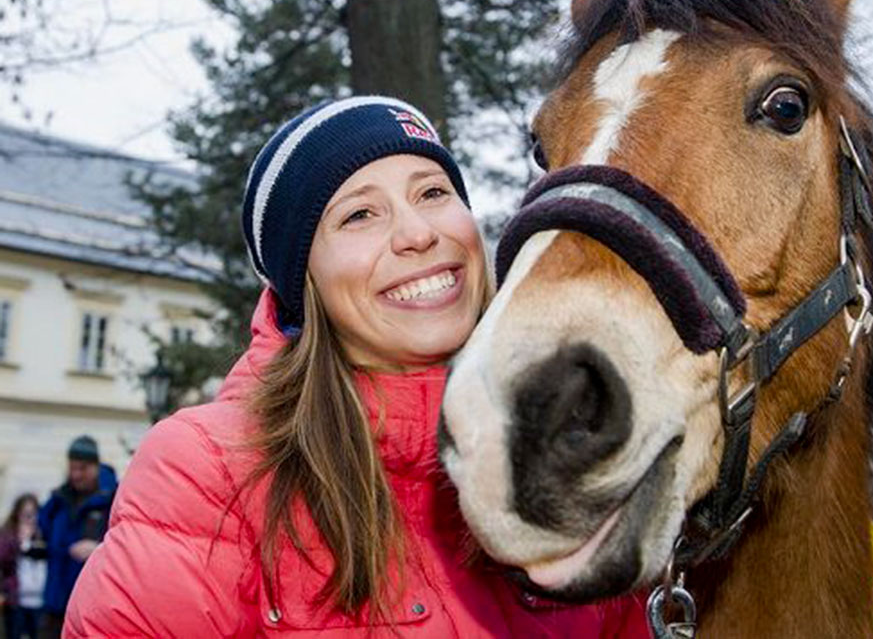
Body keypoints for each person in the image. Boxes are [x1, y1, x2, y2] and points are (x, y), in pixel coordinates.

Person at [64, 96, 649, 636]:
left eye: (433, 194)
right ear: (305, 279)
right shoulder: (209, 470)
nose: (418, 234)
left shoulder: (569, 438)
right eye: (360, 215)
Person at [38, 436, 115, 638]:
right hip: (54, 604)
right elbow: (42, 532)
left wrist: (99, 548)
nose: (76, 475)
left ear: (96, 466)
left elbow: (126, 544)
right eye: (72, 468)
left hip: (91, 607)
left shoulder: (113, 498)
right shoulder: (58, 500)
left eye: (82, 468)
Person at [1, 493, 46, 639]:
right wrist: (19, 542)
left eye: (33, 515)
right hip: (16, 599)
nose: (30, 520)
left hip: (40, 601)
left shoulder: (44, 534)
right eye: (26, 515)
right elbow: (3, 560)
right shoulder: (8, 535)